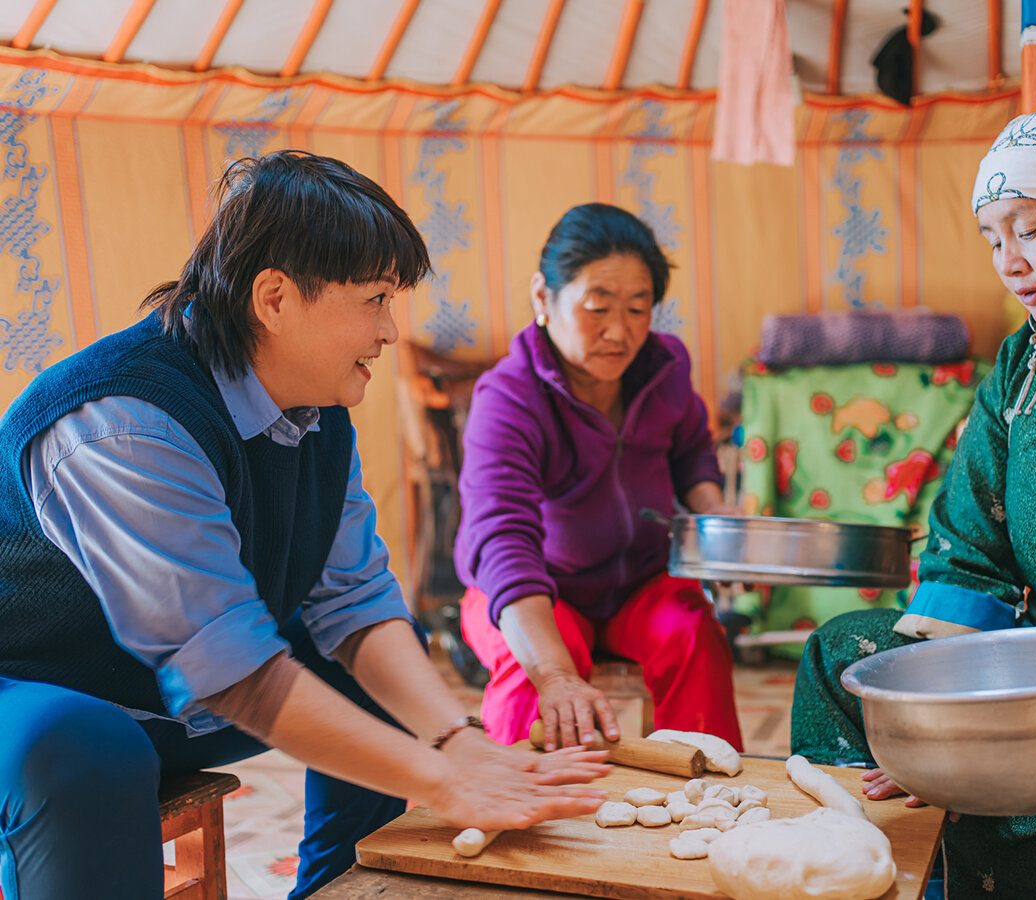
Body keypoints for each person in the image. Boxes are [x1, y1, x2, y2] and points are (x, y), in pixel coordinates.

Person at [0, 150, 609, 900]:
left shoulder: (315, 413)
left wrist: (458, 740)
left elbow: (354, 605)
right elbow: (230, 672)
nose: (389, 330)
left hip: (164, 703)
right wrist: (442, 781)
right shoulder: (123, 424)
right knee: (82, 749)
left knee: (384, 666)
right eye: (375, 299)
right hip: (34, 699)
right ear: (277, 297)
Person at [790, 88, 1036, 900]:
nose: (1007, 261)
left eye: (1029, 230)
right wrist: (940, 721)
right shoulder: (1019, 368)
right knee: (846, 652)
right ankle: (885, 870)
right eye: (992, 238)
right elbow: (968, 542)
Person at [454, 202, 745, 753]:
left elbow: (691, 452)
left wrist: (716, 522)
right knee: (533, 669)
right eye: (597, 306)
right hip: (532, 588)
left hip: (639, 583)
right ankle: (517, 817)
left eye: (639, 308)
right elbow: (503, 542)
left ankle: (712, 803)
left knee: (693, 633)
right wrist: (555, 673)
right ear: (543, 296)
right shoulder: (508, 397)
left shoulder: (666, 368)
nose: (620, 331)